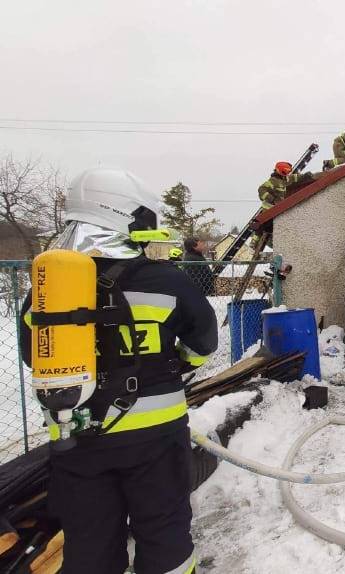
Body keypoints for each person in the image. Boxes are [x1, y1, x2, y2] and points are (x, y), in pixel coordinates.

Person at [18, 167, 217, 574]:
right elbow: (204, 342)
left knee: (89, 539)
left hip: (75, 437)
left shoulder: (48, 289)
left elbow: (33, 353)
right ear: (131, 218)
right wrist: (178, 366)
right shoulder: (167, 281)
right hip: (155, 438)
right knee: (164, 531)